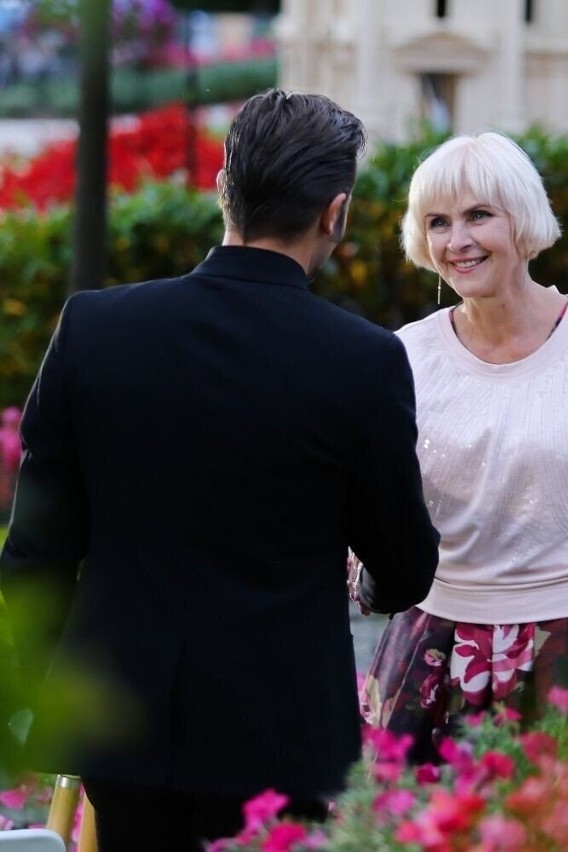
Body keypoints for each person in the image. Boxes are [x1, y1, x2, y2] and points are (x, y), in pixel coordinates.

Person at [0, 89, 440, 850]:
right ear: (334, 212)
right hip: (281, 739)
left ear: (221, 192)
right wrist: (366, 581)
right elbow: (404, 567)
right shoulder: (362, 362)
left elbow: (35, 553)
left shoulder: (95, 330)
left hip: (119, 727)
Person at [356, 131, 568, 761]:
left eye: (479, 215)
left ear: (524, 220)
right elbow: (373, 501)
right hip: (437, 644)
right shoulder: (403, 355)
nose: (457, 241)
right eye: (437, 222)